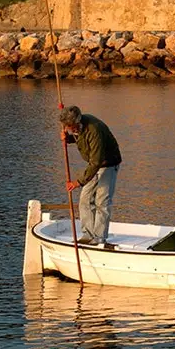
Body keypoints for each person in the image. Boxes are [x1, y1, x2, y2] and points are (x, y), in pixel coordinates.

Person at [60, 105, 122, 248]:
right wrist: (68, 138)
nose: (70, 129)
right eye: (67, 127)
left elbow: (96, 161)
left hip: (108, 164)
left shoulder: (94, 129)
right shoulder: (77, 127)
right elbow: (80, 139)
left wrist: (78, 182)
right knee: (85, 199)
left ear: (78, 121)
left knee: (102, 201)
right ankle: (88, 234)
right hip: (94, 165)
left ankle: (99, 237)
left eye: (71, 126)